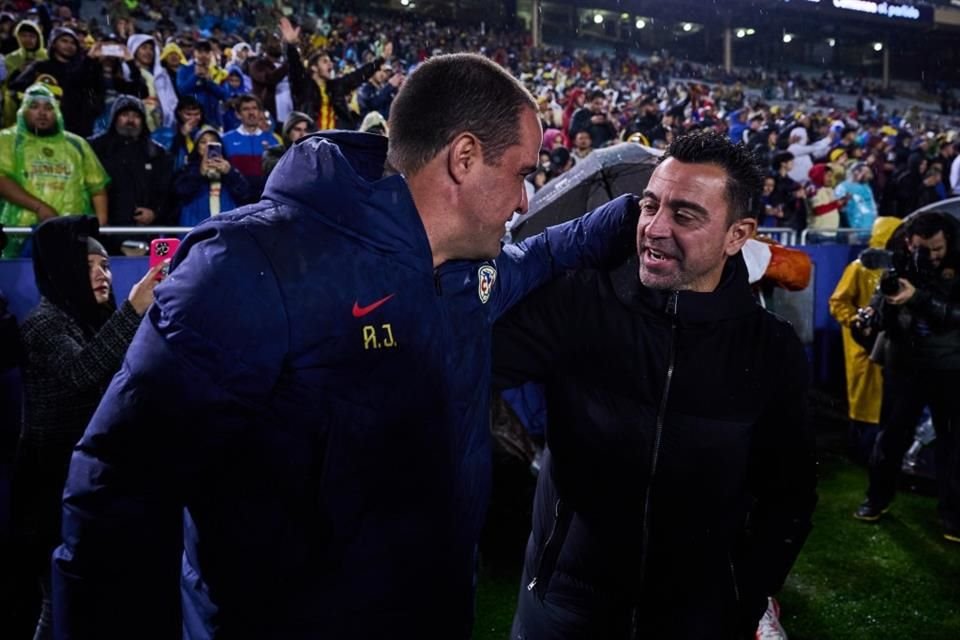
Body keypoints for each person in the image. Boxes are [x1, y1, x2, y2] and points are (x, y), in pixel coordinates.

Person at [53, 52, 640, 639]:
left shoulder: (468, 273)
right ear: (463, 158)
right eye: (520, 173)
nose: (523, 201)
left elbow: (543, 253)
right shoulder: (249, 265)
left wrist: (639, 212)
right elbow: (119, 488)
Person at [493, 129, 817, 639]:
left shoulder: (770, 351)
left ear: (738, 234)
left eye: (685, 215)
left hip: (695, 618)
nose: (655, 228)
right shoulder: (580, 303)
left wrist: (743, 598)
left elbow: (788, 499)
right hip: (564, 609)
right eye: (649, 205)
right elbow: (464, 357)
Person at [11, 215, 160, 640]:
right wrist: (133, 310)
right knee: (55, 601)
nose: (102, 273)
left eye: (106, 264)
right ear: (62, 266)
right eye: (89, 263)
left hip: (91, 478)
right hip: (49, 483)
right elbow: (83, 371)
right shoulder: (44, 322)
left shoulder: (97, 317)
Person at [853, 211, 960, 544]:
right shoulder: (901, 263)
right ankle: (877, 498)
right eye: (921, 248)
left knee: (953, 443)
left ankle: (953, 514)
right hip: (904, 365)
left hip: (950, 368)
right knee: (891, 436)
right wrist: (869, 318)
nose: (929, 255)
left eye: (937, 248)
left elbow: (954, 316)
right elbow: (882, 306)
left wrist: (918, 298)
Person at [0, 83, 109, 258]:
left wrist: (99, 228)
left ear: (57, 112)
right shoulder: (6, 140)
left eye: (49, 108)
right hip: (19, 234)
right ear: (23, 111)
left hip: (72, 233)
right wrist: (39, 207)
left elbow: (97, 188)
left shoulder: (77, 144)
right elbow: (2, 180)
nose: (42, 113)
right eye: (34, 107)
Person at [828, 216, 901, 461]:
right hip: (862, 345)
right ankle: (860, 453)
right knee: (863, 400)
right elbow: (838, 302)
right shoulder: (859, 267)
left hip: (888, 345)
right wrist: (856, 322)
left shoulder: (899, 266)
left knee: (883, 402)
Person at [88, 94, 174, 247]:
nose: (130, 120)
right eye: (125, 115)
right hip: (104, 232)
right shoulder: (95, 148)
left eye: (135, 116)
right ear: (114, 117)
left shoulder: (158, 153)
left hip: (145, 231)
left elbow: (167, 192)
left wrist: (154, 212)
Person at [175, 125, 251, 227]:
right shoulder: (187, 169)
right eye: (203, 142)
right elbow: (180, 193)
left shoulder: (229, 168)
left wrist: (230, 173)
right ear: (197, 147)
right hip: (195, 226)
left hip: (226, 229)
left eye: (213, 142)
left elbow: (245, 195)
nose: (208, 146)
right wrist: (199, 173)